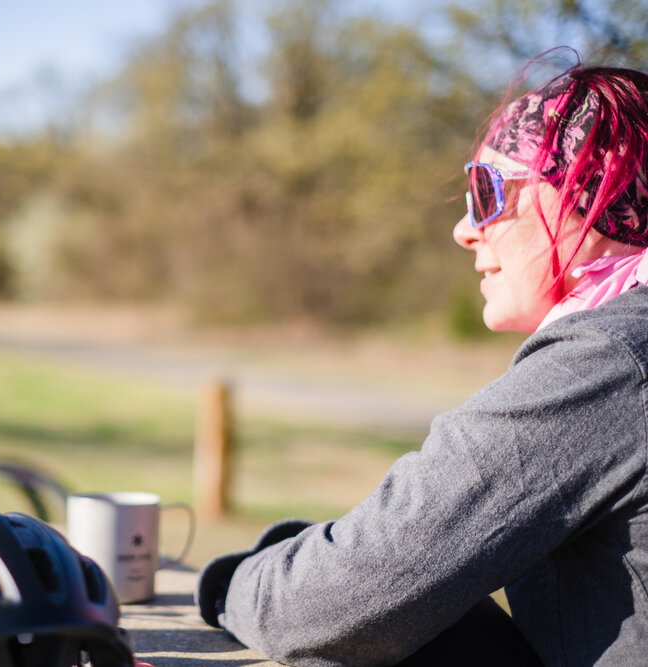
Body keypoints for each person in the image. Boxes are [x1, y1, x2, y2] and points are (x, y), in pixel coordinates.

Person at [195, 60, 648, 666]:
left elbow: (334, 604)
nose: (465, 229)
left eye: (488, 191)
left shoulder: (606, 362)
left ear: (588, 192)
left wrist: (230, 582)